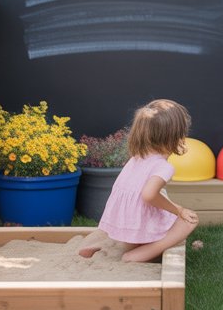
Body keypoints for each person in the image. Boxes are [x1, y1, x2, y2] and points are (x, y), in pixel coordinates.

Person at [78, 98, 198, 263]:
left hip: (124, 219)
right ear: (174, 136)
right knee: (187, 222)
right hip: (138, 220)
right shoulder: (163, 167)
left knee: (159, 211)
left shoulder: (137, 158)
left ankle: (105, 247)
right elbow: (148, 195)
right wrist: (178, 210)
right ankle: (135, 256)